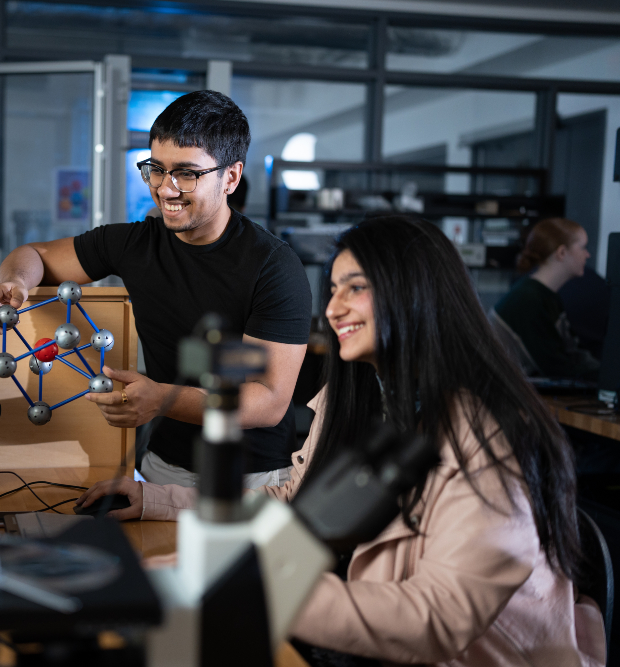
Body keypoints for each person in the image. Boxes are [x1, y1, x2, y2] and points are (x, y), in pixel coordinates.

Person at [78, 215, 605, 666]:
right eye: (332, 289)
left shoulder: (489, 436)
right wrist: (155, 500)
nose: (333, 309)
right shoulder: (360, 396)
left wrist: (258, 586)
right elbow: (293, 501)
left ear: (414, 290)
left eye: (356, 287)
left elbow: (437, 618)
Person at [0, 90, 311, 489]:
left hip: (252, 479)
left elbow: (269, 401)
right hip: (161, 468)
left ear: (232, 177)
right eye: (156, 168)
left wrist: (162, 399)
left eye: (187, 174)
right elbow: (33, 255)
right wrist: (15, 281)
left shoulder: (273, 265)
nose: (166, 189)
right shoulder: (136, 243)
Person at [495, 217, 600, 380]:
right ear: (562, 253)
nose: (587, 254)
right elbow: (557, 367)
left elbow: (570, 353)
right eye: (582, 247)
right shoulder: (528, 299)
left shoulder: (545, 295)